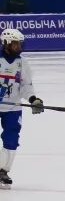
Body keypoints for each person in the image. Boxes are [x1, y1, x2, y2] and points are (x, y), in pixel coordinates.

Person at [0, 29, 44, 189]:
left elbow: (26, 86)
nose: (19, 46)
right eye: (15, 43)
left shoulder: (22, 63)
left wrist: (33, 99)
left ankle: (3, 170)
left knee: (11, 140)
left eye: (20, 43)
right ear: (6, 43)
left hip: (13, 108)